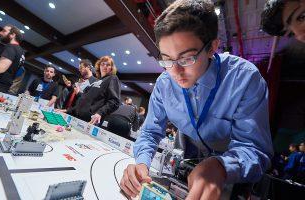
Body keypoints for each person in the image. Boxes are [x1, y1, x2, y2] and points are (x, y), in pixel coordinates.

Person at [120, 0, 273, 199]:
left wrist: (221, 166)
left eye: (186, 59)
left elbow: (255, 149)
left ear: (212, 48)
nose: (174, 71)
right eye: (166, 59)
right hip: (187, 163)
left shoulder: (244, 78)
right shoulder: (164, 83)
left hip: (234, 175)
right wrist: (141, 163)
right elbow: (150, 132)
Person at [66, 56, 121, 125]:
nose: (105, 66)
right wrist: (68, 110)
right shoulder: (96, 82)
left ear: (111, 68)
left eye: (108, 65)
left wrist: (100, 113)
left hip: (91, 121)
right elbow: (83, 99)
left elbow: (115, 101)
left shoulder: (112, 78)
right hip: (78, 117)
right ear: (99, 66)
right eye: (102, 64)